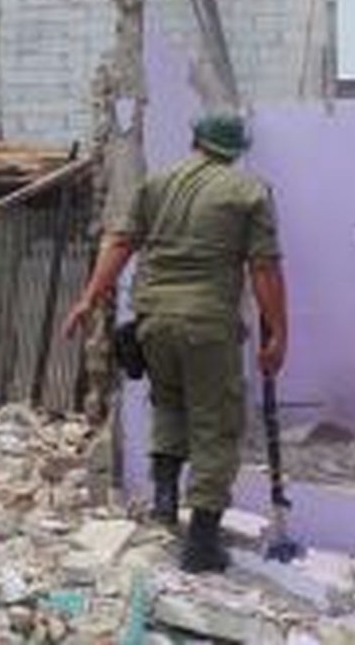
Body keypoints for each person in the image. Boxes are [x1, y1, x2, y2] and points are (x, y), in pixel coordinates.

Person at [63, 114, 288, 573]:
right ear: (237, 148)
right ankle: (202, 542)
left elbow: (120, 241)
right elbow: (263, 269)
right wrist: (279, 332)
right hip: (207, 325)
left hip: (152, 321)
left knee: (168, 405)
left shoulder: (156, 184)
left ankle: (165, 507)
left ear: (194, 140)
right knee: (215, 423)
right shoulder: (249, 192)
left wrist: (89, 297)